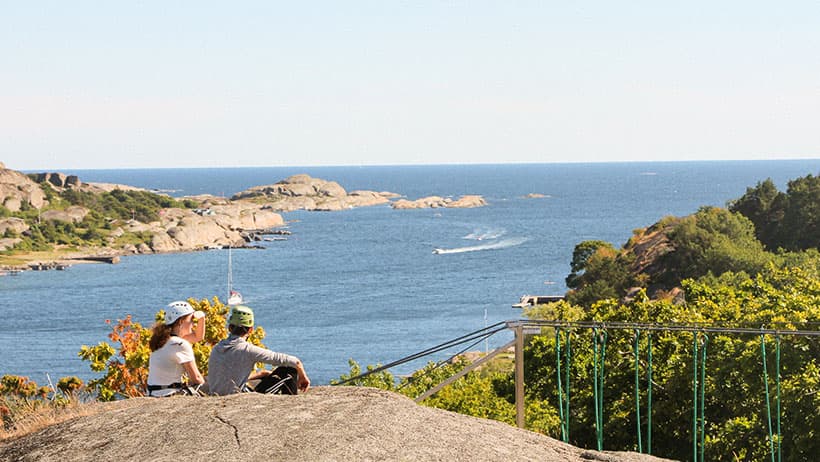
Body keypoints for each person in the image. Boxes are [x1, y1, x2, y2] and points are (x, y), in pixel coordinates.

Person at [208, 305, 310, 396]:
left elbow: (227, 376)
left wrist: (261, 374)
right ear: (251, 330)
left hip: (216, 395)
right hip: (238, 398)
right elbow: (294, 361)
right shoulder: (247, 349)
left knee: (266, 376)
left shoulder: (216, 348)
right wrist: (303, 376)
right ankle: (291, 404)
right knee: (289, 371)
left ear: (230, 328)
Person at [146, 300, 206, 397]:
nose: (193, 324)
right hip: (168, 394)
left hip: (153, 393)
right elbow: (197, 378)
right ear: (181, 321)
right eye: (191, 320)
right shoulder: (180, 344)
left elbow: (198, 337)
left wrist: (201, 319)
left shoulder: (163, 338)